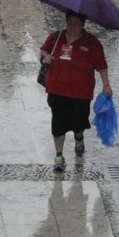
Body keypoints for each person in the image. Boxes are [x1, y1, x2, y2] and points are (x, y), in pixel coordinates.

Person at [38, 11, 111, 173]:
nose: (72, 26)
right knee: (58, 123)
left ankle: (79, 137)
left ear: (83, 24)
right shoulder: (55, 38)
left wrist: (106, 85)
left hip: (80, 92)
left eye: (76, 23)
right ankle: (59, 156)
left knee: (79, 121)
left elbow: (101, 65)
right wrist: (45, 57)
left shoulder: (92, 43)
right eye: (69, 22)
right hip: (56, 89)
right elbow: (43, 51)